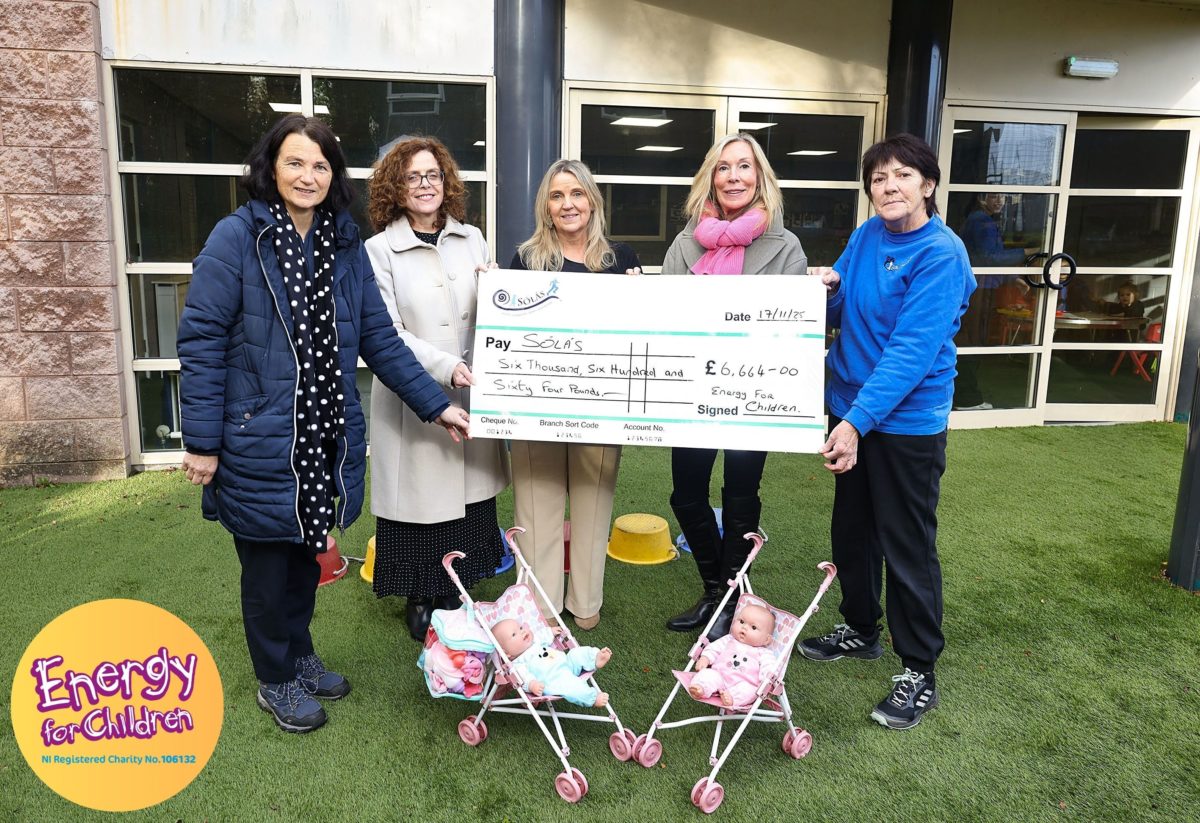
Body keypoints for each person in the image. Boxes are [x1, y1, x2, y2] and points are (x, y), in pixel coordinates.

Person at [177, 114, 470, 734]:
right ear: (271, 168)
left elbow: (381, 341)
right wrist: (202, 441)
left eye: (320, 165)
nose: (308, 175)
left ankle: (300, 655)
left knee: (308, 552)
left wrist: (436, 404)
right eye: (295, 162)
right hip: (258, 435)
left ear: (333, 175)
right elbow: (201, 340)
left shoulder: (342, 243)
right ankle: (275, 678)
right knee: (266, 571)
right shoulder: (238, 238)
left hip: (322, 433)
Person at [797, 133, 974, 731]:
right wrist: (819, 292)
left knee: (905, 541)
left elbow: (910, 352)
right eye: (878, 178)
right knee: (852, 528)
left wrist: (855, 424)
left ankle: (919, 668)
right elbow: (841, 304)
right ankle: (860, 628)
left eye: (902, 175)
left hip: (903, 422)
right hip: (851, 409)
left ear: (928, 184)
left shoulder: (942, 255)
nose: (888, 186)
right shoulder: (869, 234)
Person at [660, 133, 807, 640]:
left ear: (760, 178)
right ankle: (714, 590)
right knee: (686, 494)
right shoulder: (685, 244)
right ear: (711, 178)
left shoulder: (785, 247)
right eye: (724, 168)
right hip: (693, 392)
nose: (735, 177)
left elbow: (794, 329)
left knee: (741, 493)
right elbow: (664, 321)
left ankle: (731, 591)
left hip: (753, 392)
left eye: (745, 167)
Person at [364, 136, 510, 643]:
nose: (425, 185)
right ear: (395, 188)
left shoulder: (474, 239)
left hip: (473, 392)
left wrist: (501, 295)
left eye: (433, 175)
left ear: (445, 182)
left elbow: (494, 313)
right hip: (413, 396)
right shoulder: (378, 250)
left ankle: (459, 589)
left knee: (468, 497)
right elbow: (384, 333)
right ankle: (421, 594)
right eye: (412, 177)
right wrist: (446, 368)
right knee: (419, 500)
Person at [507, 159, 642, 631]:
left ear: (592, 200)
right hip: (536, 408)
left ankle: (585, 604)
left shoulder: (621, 260)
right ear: (546, 205)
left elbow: (641, 332)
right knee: (536, 505)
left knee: (593, 505)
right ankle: (540, 607)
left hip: (602, 409)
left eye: (577, 193)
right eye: (557, 195)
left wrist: (642, 299)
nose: (568, 204)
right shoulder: (523, 261)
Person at [953, 192, 1038, 411]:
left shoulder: (982, 220)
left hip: (979, 288)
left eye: (1002, 196)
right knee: (971, 343)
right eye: (993, 196)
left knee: (972, 341)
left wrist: (1013, 278)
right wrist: (1028, 252)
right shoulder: (981, 222)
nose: (999, 200)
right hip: (977, 291)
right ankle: (967, 398)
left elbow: (988, 258)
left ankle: (966, 395)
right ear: (981, 198)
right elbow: (988, 258)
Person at [490, 618, 612, 707]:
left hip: (567, 663)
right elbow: (523, 678)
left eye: (521, 627)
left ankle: (595, 657)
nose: (522, 632)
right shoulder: (518, 664)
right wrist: (532, 685)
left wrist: (551, 631)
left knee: (576, 653)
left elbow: (543, 635)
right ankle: (593, 698)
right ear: (506, 653)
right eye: (514, 634)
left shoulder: (535, 641)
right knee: (572, 687)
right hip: (554, 680)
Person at [687, 602, 778, 707]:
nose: (744, 628)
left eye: (753, 627)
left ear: (766, 639)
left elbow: (769, 668)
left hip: (744, 683)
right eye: (742, 621)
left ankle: (732, 698)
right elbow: (713, 648)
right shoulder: (729, 639)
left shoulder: (764, 653)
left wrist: (766, 680)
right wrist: (705, 658)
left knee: (749, 691)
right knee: (708, 674)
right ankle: (700, 688)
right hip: (719, 676)